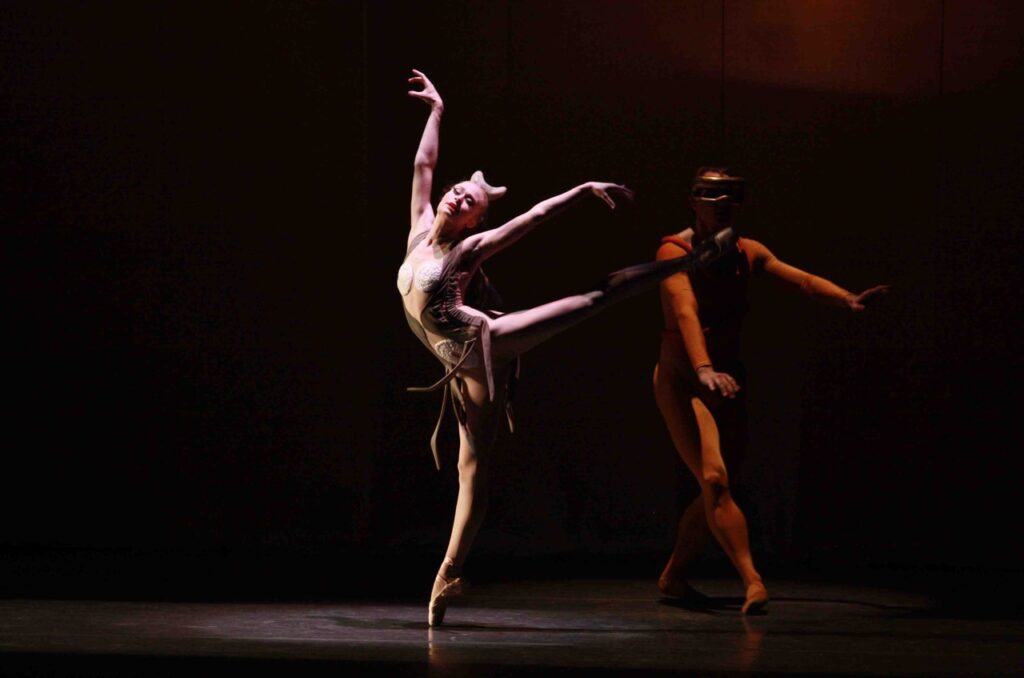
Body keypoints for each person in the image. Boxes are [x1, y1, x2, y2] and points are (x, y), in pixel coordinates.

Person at [401, 70, 736, 626]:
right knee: (471, 468)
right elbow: (423, 168)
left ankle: (688, 262)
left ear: (476, 221)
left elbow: (532, 219)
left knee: (588, 300)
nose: (459, 196)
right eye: (461, 190)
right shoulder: (416, 231)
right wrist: (437, 109)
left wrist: (580, 191)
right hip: (454, 362)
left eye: (471, 202)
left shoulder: (468, 250)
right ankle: (450, 572)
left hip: (484, 346)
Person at [653, 167, 890, 614]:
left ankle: (673, 576)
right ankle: (753, 581)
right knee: (714, 479)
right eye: (712, 197)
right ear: (694, 201)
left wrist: (847, 298)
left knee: (717, 488)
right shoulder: (674, 250)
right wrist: (702, 368)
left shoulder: (747, 251)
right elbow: (685, 311)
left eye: (731, 198)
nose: (722, 204)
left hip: (726, 380)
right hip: (685, 381)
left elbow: (799, 279)